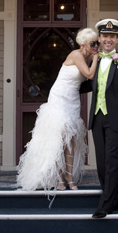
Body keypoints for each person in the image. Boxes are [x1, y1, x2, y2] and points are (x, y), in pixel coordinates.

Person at [17, 28, 99, 192]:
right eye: (93, 44)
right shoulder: (77, 55)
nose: (96, 46)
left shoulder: (89, 55)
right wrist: (97, 57)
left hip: (73, 99)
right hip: (60, 98)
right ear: (83, 44)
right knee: (60, 139)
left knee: (72, 139)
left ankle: (69, 176)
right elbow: (90, 75)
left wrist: (97, 57)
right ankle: (58, 176)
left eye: (97, 43)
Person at [80, 18, 118, 218]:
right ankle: (117, 199)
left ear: (116, 39)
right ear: (100, 38)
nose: (108, 39)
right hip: (97, 119)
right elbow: (85, 84)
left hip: (116, 119)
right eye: (105, 36)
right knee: (103, 165)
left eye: (112, 36)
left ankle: (104, 205)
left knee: (113, 162)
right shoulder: (94, 61)